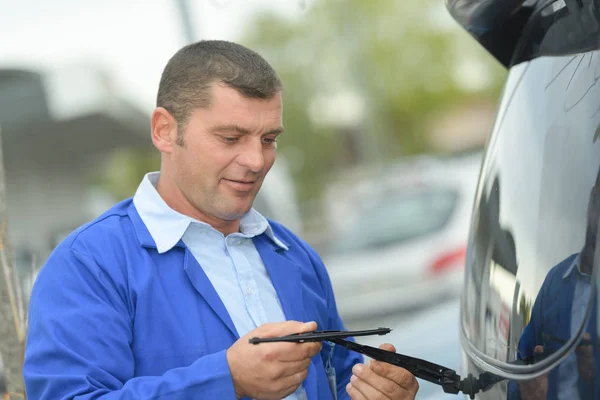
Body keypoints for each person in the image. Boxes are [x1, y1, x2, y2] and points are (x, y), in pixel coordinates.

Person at [23, 40, 419, 400]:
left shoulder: (294, 255)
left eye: (269, 139)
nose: (256, 161)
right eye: (231, 138)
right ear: (164, 130)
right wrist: (225, 380)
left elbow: (336, 376)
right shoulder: (87, 265)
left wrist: (373, 392)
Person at [508, 168, 600, 400]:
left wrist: (592, 376)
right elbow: (520, 365)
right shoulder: (557, 279)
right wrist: (524, 390)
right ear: (590, 201)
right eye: (598, 199)